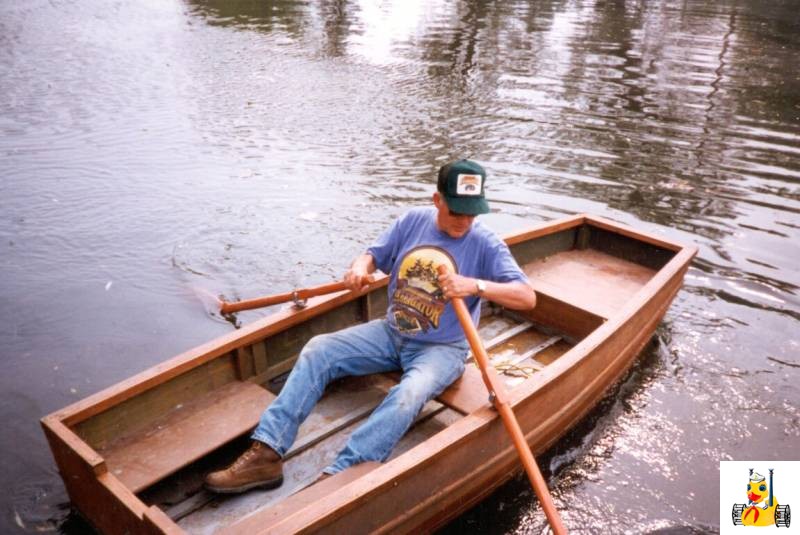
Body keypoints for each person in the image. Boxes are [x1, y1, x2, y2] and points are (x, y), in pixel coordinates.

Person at [204, 159, 537, 494]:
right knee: (319, 349)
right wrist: (359, 267)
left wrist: (475, 286)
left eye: (472, 213)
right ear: (437, 200)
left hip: (442, 348)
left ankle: (343, 475)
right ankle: (266, 453)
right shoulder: (413, 221)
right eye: (457, 212)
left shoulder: (486, 243)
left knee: (408, 393)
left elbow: (526, 297)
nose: (465, 222)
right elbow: (371, 255)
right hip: (392, 333)